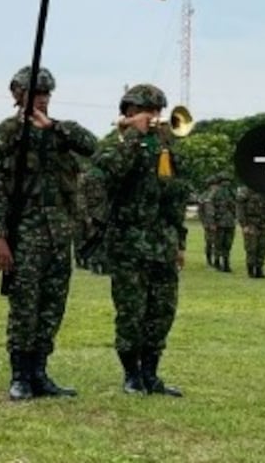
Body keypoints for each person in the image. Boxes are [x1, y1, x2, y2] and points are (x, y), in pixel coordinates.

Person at [0, 66, 96, 400]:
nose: (41, 100)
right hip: (24, 234)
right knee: (25, 305)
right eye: (34, 94)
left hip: (59, 234)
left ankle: (40, 372)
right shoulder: (4, 135)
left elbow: (93, 147)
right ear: (17, 94)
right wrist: (0, 236)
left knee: (52, 305)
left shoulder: (60, 134)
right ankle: (20, 375)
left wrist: (55, 129)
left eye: (46, 94)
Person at [89, 84, 186, 396]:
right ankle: (131, 375)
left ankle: (151, 374)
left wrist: (179, 241)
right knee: (131, 312)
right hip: (129, 245)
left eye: (158, 111)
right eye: (148, 111)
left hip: (163, 243)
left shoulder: (164, 147)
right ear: (129, 112)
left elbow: (174, 195)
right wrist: (132, 135)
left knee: (162, 311)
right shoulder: (117, 143)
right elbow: (105, 174)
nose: (155, 117)